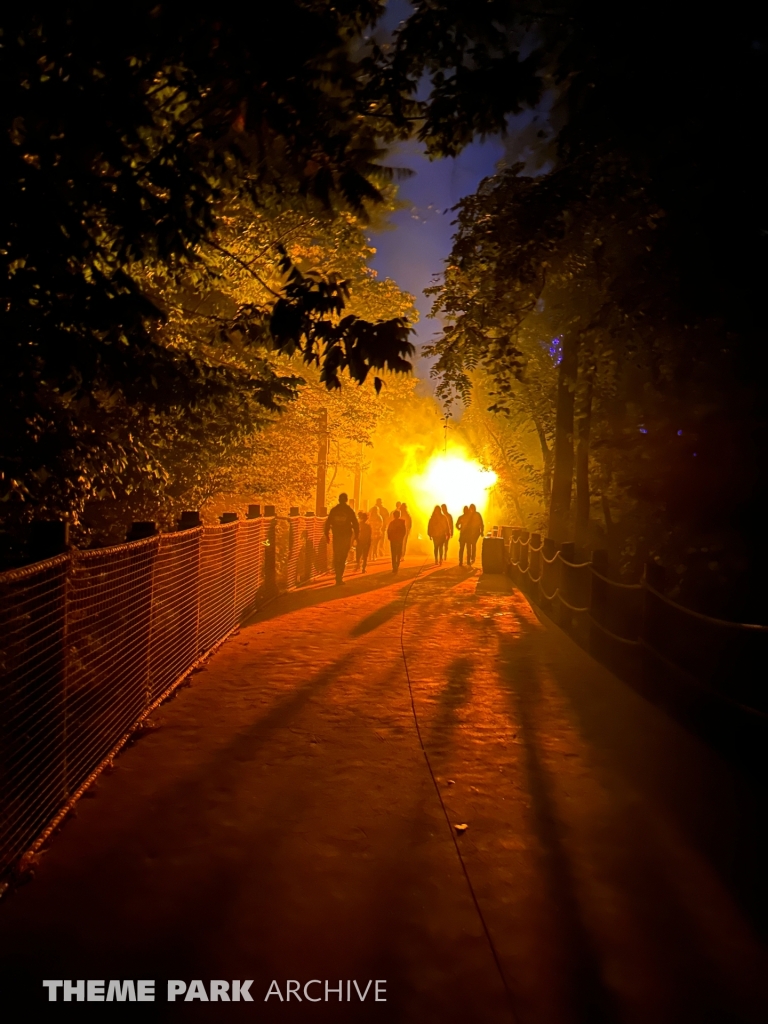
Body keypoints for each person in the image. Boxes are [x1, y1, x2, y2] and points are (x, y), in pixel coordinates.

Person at [323, 492, 359, 585]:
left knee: (337, 555)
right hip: (346, 537)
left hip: (336, 536)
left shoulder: (334, 510)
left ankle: (337, 576)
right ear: (346, 500)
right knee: (343, 557)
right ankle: (339, 577)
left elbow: (328, 523)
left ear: (339, 500)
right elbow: (355, 524)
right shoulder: (349, 510)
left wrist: (327, 534)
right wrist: (356, 536)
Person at [387, 509, 407, 573]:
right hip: (399, 540)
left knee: (393, 554)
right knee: (398, 553)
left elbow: (389, 531)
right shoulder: (402, 522)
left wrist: (390, 538)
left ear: (393, 515)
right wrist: (401, 538)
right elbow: (404, 531)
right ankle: (397, 564)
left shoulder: (392, 523)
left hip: (393, 540)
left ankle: (394, 566)